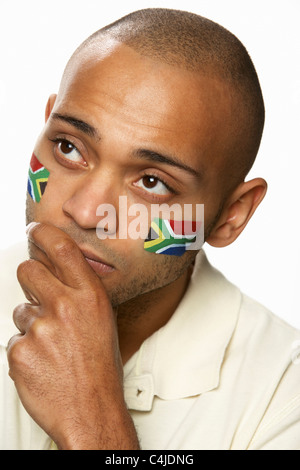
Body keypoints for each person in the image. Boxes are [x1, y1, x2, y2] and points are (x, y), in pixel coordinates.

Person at [1, 8, 299, 450]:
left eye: (153, 182)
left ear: (231, 215)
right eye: (68, 147)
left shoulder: (283, 398)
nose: (85, 213)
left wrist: (95, 425)